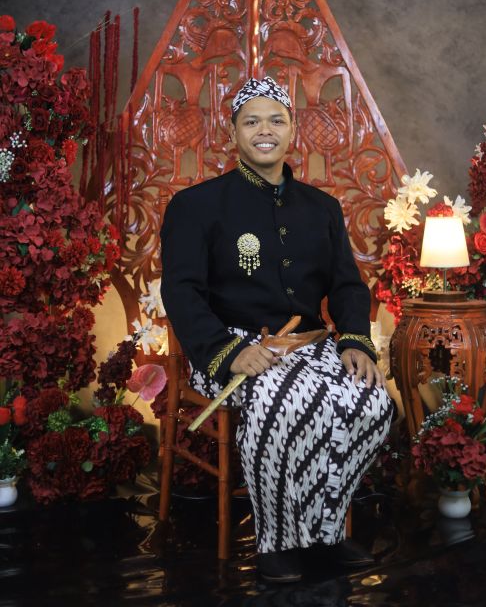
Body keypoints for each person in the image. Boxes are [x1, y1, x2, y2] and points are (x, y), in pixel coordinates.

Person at [160, 77, 394, 582]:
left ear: (292, 131)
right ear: (233, 133)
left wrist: (355, 341)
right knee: (283, 402)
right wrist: (227, 351)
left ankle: (327, 531)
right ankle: (278, 541)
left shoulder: (322, 207)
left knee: (372, 402)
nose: (264, 130)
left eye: (276, 120)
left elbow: (348, 287)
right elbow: (180, 292)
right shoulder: (195, 205)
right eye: (251, 122)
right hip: (230, 348)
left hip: (310, 346)